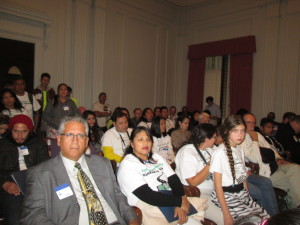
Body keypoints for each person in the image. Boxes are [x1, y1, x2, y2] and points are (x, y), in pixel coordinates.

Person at [20, 116, 138, 225]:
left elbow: (118, 197)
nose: (75, 140)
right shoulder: (41, 174)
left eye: (81, 135)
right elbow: (32, 215)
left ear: (86, 142)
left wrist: (132, 220)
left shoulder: (103, 164)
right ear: (59, 139)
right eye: (69, 135)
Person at [117, 127, 204, 225]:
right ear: (132, 143)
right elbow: (147, 195)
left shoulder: (156, 157)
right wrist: (179, 202)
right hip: (149, 204)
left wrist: (180, 201)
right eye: (140, 140)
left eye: (148, 139)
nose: (145, 143)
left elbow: (174, 179)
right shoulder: (128, 164)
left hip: (170, 197)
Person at [210, 115, 269, 225]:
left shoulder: (239, 149)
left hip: (241, 193)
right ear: (227, 131)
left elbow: (242, 178)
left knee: (264, 218)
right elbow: (217, 186)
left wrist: (248, 197)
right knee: (251, 222)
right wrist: (226, 215)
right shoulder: (220, 153)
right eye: (235, 131)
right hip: (227, 195)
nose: (240, 135)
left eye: (242, 131)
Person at [241, 113, 300, 208]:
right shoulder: (241, 138)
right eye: (248, 122)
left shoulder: (258, 134)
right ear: (242, 123)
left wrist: (279, 158)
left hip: (273, 164)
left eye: (253, 123)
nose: (252, 125)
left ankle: (294, 207)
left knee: (296, 168)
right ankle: (295, 207)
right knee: (291, 180)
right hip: (262, 170)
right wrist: (255, 140)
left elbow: (270, 148)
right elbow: (253, 158)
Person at [0, 115, 49, 225]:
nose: (19, 135)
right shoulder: (3, 145)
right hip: (9, 187)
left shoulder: (38, 144)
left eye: (24, 131)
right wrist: (4, 183)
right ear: (10, 130)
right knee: (16, 217)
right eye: (16, 131)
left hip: (34, 186)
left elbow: (45, 168)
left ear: (30, 131)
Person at [175, 123, 224, 225]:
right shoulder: (187, 152)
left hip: (216, 189)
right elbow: (192, 182)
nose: (216, 140)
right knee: (224, 218)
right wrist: (210, 164)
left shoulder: (211, 149)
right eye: (214, 137)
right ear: (206, 139)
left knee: (237, 211)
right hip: (197, 194)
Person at [43, 83, 78, 158]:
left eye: (65, 89)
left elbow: (77, 115)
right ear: (58, 91)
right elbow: (45, 115)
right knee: (53, 151)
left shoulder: (71, 102)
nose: (63, 91)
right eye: (61, 89)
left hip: (67, 130)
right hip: (54, 130)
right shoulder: (52, 101)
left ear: (67, 91)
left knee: (66, 150)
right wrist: (55, 122)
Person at [32, 73, 55, 138]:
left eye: (47, 80)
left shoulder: (51, 91)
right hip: (39, 114)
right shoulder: (35, 91)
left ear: (49, 81)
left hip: (49, 114)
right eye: (44, 80)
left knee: (48, 132)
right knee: (39, 132)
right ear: (41, 80)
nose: (45, 82)